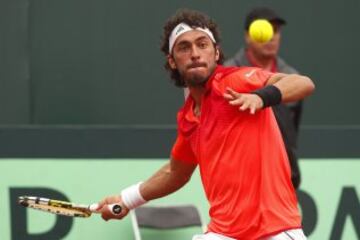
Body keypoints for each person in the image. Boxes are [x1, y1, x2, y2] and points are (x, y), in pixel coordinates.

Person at [96, 9, 315, 240]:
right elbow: (175, 173)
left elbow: (302, 83)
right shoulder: (189, 118)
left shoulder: (235, 81)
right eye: (184, 47)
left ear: (216, 52)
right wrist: (126, 200)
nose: (195, 54)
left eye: (202, 45)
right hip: (224, 233)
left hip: (275, 230)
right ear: (172, 61)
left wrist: (261, 97)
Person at [224, 6, 303, 189]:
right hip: (239, 177)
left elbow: (292, 130)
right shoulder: (227, 74)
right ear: (247, 36)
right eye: (266, 28)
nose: (272, 36)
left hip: (282, 176)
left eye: (275, 31)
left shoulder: (292, 77)